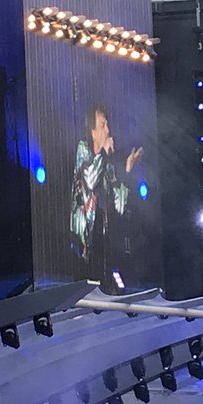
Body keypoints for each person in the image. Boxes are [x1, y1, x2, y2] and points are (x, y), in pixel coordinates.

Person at [70, 103, 142, 285]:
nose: (108, 130)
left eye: (107, 125)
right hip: (83, 240)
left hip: (104, 237)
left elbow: (120, 205)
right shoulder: (83, 148)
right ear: (92, 131)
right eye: (103, 125)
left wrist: (127, 171)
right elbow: (90, 180)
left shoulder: (107, 162)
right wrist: (103, 152)